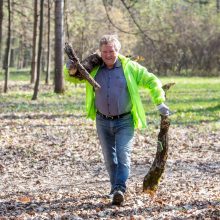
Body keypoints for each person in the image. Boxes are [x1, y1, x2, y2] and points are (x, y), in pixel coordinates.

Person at [64, 34, 170, 206]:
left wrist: (159, 102)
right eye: (104, 51)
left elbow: (151, 80)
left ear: (117, 50)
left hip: (124, 121)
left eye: (111, 51)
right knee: (109, 158)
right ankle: (115, 190)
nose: (108, 55)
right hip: (102, 120)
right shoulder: (94, 68)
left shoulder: (130, 68)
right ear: (100, 52)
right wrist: (69, 67)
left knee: (123, 154)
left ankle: (120, 188)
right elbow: (72, 77)